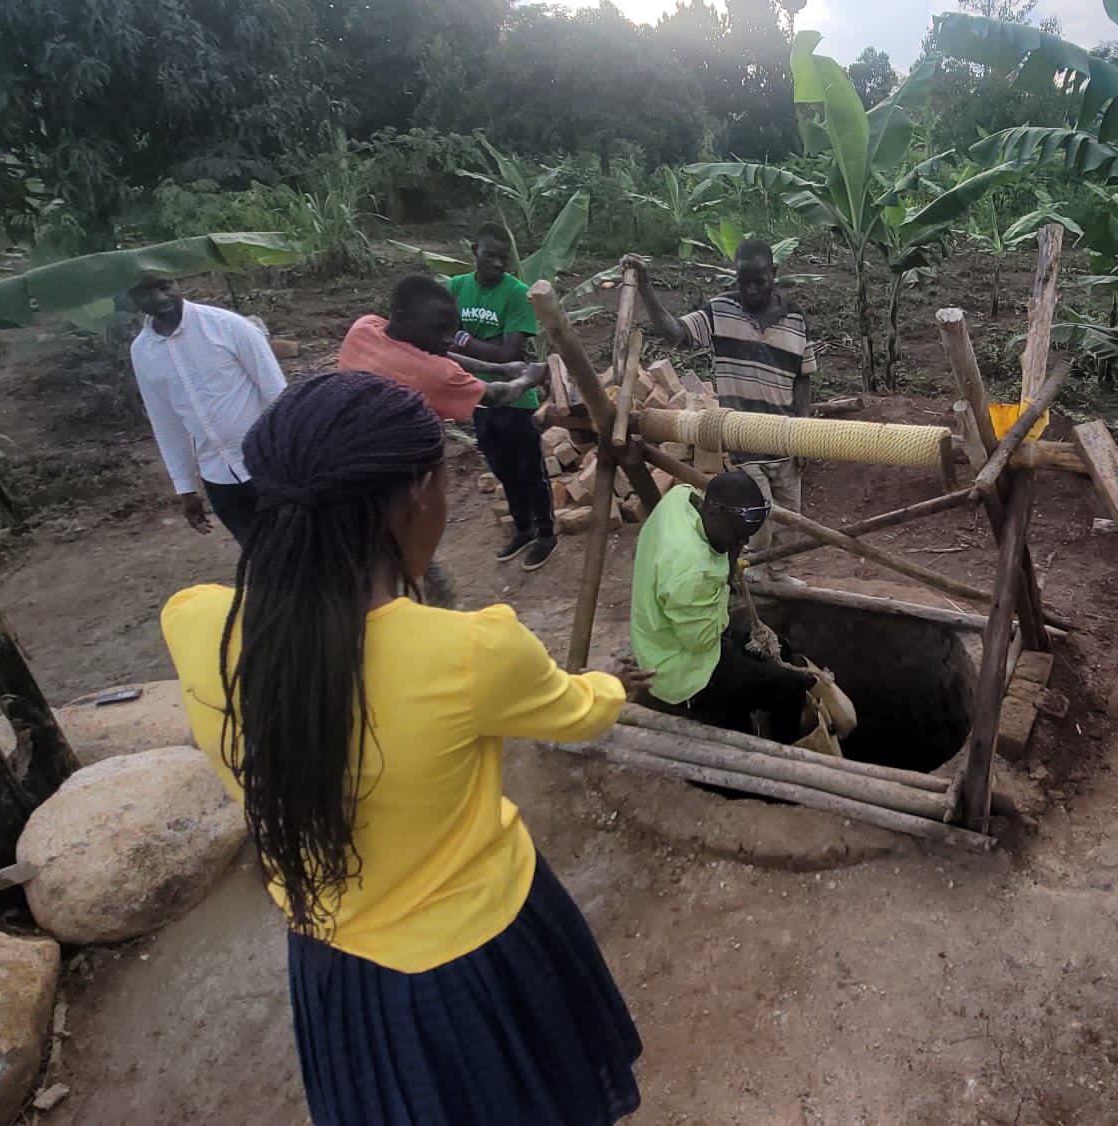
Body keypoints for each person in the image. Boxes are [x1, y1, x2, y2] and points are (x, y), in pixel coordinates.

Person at [160, 371, 650, 1126]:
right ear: (421, 495)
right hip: (479, 958)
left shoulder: (195, 625)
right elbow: (577, 712)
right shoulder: (471, 650)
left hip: (334, 969)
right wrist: (611, 685)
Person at [623, 242, 816, 582]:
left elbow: (802, 380)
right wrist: (646, 287)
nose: (751, 290)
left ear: (774, 275)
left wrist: (804, 434)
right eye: (744, 282)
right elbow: (675, 332)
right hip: (744, 440)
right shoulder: (721, 310)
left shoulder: (796, 318)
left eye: (759, 281)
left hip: (786, 440)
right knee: (760, 515)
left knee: (791, 518)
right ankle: (752, 574)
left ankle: (779, 573)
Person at [339, 276, 555, 572]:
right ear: (402, 318)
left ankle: (542, 533)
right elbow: (495, 394)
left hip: (346, 470)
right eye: (438, 329)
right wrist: (530, 376)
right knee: (408, 566)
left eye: (450, 329)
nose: (448, 338)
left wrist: (499, 368)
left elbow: (435, 352)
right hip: (395, 489)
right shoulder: (433, 375)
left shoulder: (364, 328)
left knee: (528, 472)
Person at [631, 470, 814, 742]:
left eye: (744, 540)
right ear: (714, 512)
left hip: (661, 636)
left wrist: (727, 550)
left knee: (780, 651)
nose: (740, 546)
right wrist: (725, 571)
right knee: (791, 687)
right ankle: (780, 757)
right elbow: (704, 641)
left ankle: (747, 714)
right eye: (736, 538)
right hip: (682, 669)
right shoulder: (693, 571)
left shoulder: (682, 498)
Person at [127, 276, 287, 544]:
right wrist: (186, 489)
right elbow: (166, 423)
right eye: (146, 293)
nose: (160, 297)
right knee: (260, 559)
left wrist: (295, 462)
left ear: (177, 284)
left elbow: (279, 396)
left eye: (164, 287)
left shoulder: (229, 327)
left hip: (268, 467)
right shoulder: (142, 352)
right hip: (219, 479)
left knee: (300, 549)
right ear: (133, 300)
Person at [448, 228, 557, 567]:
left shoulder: (517, 293)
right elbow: (441, 337)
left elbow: (508, 354)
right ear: (473, 250)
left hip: (516, 400)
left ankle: (546, 533)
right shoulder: (456, 287)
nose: (497, 263)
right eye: (489, 255)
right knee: (502, 469)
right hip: (476, 396)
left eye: (503, 258)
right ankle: (523, 529)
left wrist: (462, 339)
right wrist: (478, 346)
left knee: (530, 471)